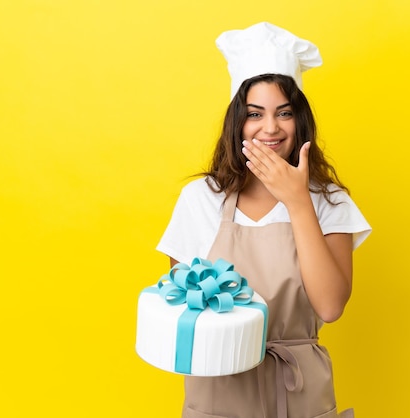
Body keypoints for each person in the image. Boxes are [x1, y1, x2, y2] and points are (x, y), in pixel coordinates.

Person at [156, 22, 371, 418]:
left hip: (300, 392)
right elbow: (184, 313)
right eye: (255, 114)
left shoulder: (329, 201)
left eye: (284, 113)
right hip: (219, 392)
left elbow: (330, 306)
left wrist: (298, 201)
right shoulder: (201, 199)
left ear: (299, 120)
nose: (270, 128)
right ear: (236, 121)